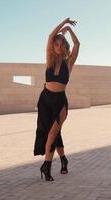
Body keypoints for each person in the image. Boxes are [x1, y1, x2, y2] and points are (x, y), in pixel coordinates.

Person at [33, 18, 80, 181]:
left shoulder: (69, 63)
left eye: (62, 44)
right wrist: (63, 22)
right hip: (45, 100)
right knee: (52, 133)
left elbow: (77, 44)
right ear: (53, 46)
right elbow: (50, 36)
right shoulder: (49, 60)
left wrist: (68, 29)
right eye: (57, 44)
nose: (59, 47)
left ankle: (46, 166)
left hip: (60, 101)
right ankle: (63, 159)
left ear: (65, 47)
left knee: (52, 134)